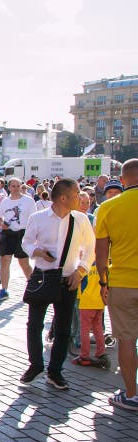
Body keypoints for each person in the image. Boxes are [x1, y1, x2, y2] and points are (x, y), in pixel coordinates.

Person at [20, 179, 95, 389]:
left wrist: (81, 271)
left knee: (63, 329)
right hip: (43, 275)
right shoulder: (38, 218)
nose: (80, 198)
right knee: (34, 324)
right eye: (76, 194)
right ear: (63, 197)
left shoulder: (80, 220)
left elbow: (90, 248)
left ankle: (55, 371)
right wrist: (37, 252)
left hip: (68, 278)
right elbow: (26, 242)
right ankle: (35, 365)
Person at [95, 159, 138, 410]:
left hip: (121, 281)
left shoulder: (109, 207)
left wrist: (103, 281)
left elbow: (102, 254)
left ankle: (131, 395)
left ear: (122, 181)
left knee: (126, 340)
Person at [0, 178, 36, 301]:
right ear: (9, 187)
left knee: (23, 262)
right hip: (7, 233)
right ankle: (4, 289)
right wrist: (2, 223)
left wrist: (31, 235)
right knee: (5, 260)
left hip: (22, 233)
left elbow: (34, 218)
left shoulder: (28, 201)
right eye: (13, 186)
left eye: (18, 186)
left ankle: (32, 285)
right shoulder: (5, 202)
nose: (16, 188)